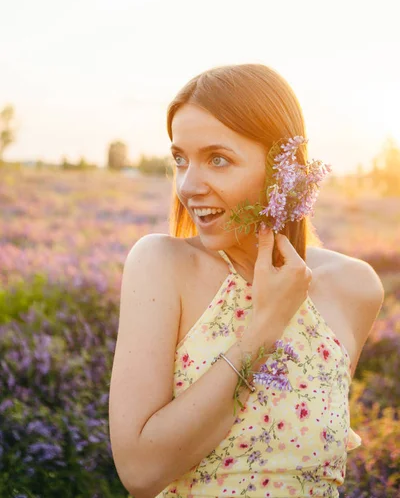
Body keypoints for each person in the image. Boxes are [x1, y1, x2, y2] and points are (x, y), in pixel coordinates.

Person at [109, 64, 384, 498]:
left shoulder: (355, 288)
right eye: (180, 159)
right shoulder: (163, 265)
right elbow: (140, 472)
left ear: (283, 168)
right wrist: (262, 330)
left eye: (218, 159)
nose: (188, 185)